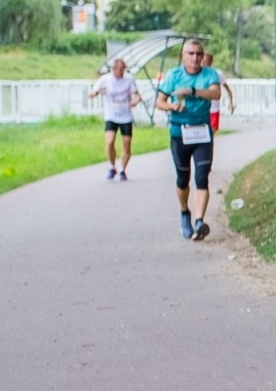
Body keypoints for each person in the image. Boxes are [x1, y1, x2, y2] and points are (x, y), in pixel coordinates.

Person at [154, 38, 221, 241]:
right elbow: (160, 102)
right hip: (179, 132)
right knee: (183, 179)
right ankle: (185, 213)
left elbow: (215, 93)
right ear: (183, 56)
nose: (195, 58)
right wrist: (172, 106)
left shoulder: (210, 74)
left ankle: (200, 222)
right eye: (191, 53)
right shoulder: (174, 76)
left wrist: (192, 91)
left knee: (202, 177)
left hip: (202, 133)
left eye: (199, 54)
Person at [91, 57, 140, 180]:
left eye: (124, 70)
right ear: (114, 69)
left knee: (127, 144)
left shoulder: (129, 80)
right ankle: (112, 166)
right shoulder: (105, 80)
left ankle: (123, 169)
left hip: (125, 116)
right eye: (120, 70)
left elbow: (137, 95)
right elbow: (91, 93)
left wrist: (134, 101)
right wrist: (97, 92)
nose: (122, 72)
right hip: (111, 115)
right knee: (109, 141)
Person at [203, 51, 234, 132]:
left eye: (206, 61)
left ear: (211, 62)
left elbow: (228, 89)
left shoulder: (217, 74)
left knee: (213, 130)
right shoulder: (198, 74)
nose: (204, 64)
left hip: (214, 108)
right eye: (203, 61)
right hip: (202, 109)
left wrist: (231, 103)